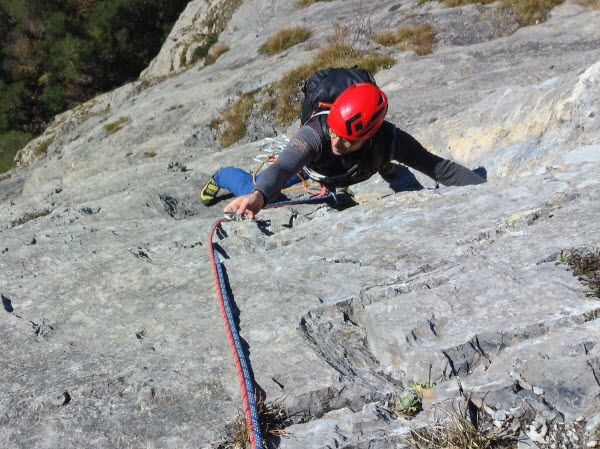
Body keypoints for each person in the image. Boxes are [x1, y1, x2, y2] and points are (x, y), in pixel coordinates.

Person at [201, 83, 485, 219]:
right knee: (249, 188)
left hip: (359, 167)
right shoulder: (313, 136)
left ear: (371, 135)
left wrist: (487, 192)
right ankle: (222, 175)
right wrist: (258, 196)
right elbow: (283, 167)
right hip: (312, 172)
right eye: (335, 134)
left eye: (348, 141)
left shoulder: (390, 139)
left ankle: (383, 167)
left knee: (382, 160)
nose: (337, 143)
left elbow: (438, 167)